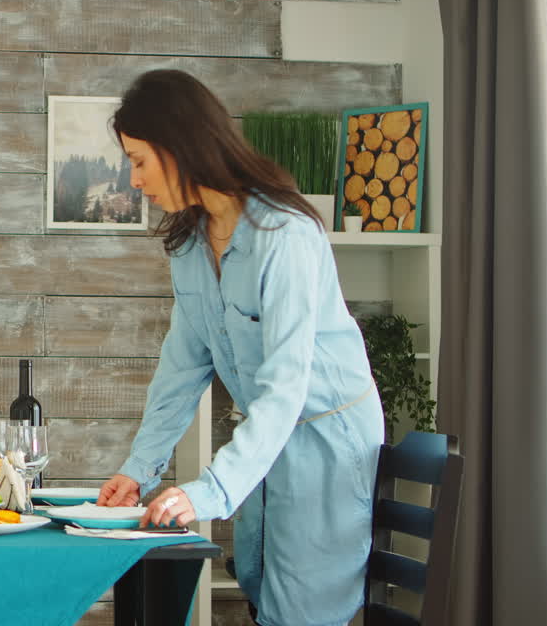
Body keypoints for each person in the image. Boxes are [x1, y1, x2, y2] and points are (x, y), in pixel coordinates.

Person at [96, 70, 384, 626]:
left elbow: (286, 388)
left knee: (299, 608)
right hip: (268, 439)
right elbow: (182, 366)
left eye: (139, 160)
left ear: (179, 146)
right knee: (255, 580)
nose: (134, 180)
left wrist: (209, 492)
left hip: (325, 439)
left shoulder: (285, 235)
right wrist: (138, 470)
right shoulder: (189, 243)